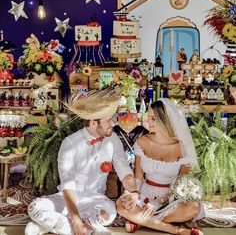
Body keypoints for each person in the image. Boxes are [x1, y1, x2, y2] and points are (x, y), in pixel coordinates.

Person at [25, 88, 139, 235]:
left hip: (94, 199)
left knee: (109, 213)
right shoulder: (70, 143)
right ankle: (88, 229)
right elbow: (68, 185)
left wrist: (134, 192)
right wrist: (76, 219)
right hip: (68, 198)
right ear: (93, 123)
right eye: (109, 120)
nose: (113, 123)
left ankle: (52, 225)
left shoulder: (113, 139)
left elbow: (123, 168)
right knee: (35, 208)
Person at [117, 99, 205, 235]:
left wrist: (158, 203)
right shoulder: (142, 141)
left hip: (171, 196)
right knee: (121, 205)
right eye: (148, 117)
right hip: (146, 191)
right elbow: (139, 176)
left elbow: (181, 185)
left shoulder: (183, 148)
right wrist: (133, 194)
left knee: (194, 207)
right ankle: (176, 229)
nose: (148, 121)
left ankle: (140, 220)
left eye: (153, 118)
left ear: (165, 120)